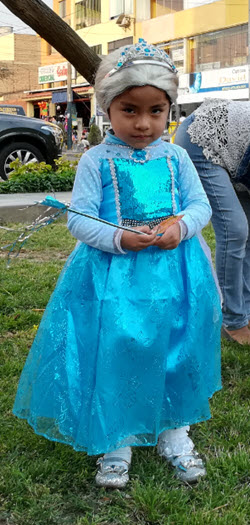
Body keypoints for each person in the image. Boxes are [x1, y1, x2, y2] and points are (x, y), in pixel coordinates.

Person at [13, 39, 222, 489]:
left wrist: (180, 228)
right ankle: (117, 437)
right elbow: (81, 219)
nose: (144, 123)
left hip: (175, 271)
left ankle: (175, 430)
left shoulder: (177, 158)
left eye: (156, 111)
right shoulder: (95, 160)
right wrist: (119, 237)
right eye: (130, 110)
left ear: (170, 110)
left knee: (177, 346)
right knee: (116, 349)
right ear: (108, 107)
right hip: (114, 276)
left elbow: (199, 206)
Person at [175, 99, 250, 345]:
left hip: (237, 154)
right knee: (236, 230)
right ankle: (233, 320)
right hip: (202, 136)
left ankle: (245, 311)